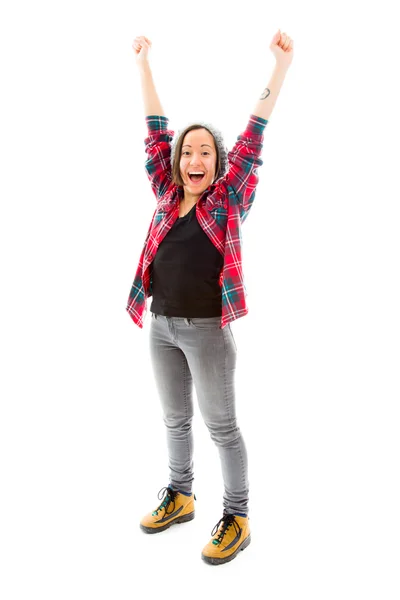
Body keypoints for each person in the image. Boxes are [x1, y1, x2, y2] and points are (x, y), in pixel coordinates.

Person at [127, 31, 294, 565]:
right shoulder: (166, 193)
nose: (193, 157)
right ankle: (180, 495)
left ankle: (238, 517)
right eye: (186, 151)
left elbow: (254, 133)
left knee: (221, 426)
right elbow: (155, 131)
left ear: (219, 164)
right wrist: (145, 62)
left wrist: (279, 67)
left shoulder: (227, 199)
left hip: (207, 332)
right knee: (174, 421)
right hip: (161, 326)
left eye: (205, 152)